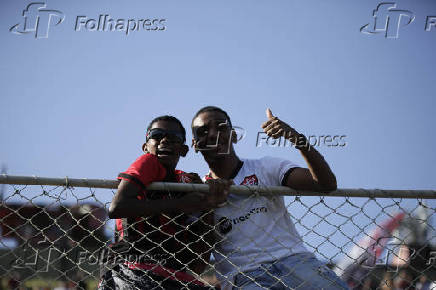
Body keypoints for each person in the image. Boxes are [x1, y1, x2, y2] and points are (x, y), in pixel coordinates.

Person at [191, 106, 349, 289]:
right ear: (195, 145)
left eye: (220, 127)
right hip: (244, 275)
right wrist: (208, 207)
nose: (212, 135)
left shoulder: (265, 167)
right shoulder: (198, 191)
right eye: (203, 131)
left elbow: (326, 184)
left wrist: (295, 138)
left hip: (295, 262)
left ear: (233, 135)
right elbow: (197, 265)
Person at [98, 115, 230, 290]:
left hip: (171, 276)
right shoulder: (148, 162)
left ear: (183, 150)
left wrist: (207, 207)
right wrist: (180, 204)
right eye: (157, 135)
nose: (165, 140)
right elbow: (116, 208)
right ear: (145, 147)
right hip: (133, 272)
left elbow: (198, 266)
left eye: (174, 137)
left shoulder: (188, 182)